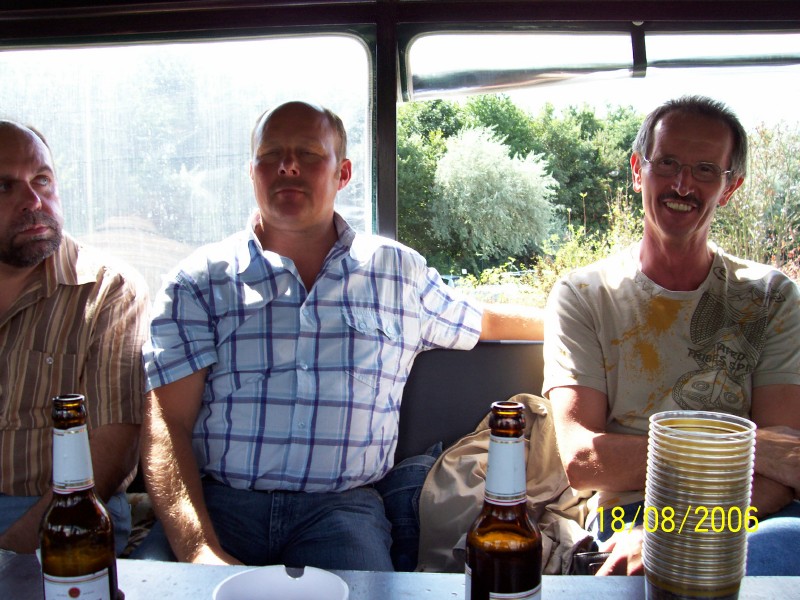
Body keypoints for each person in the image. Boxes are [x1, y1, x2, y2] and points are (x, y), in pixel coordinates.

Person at [139, 101, 543, 570]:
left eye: (309, 154)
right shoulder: (199, 281)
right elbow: (167, 423)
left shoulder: (396, 272)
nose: (287, 166)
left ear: (343, 173)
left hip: (340, 511)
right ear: (252, 173)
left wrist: (580, 325)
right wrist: (197, 549)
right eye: (270, 155)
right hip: (220, 505)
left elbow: (484, 321)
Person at [543, 95, 800, 576]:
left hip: (750, 510)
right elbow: (583, 459)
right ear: (638, 171)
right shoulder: (584, 295)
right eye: (667, 163)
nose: (683, 184)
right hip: (631, 513)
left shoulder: (771, 296)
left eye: (705, 169)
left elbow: (786, 471)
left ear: (730, 187)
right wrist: (752, 449)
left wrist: (684, 530)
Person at [0, 120, 149, 555]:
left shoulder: (107, 291)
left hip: (61, 514)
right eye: (4, 187)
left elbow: (112, 450)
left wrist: (11, 554)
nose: (34, 201)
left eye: (42, 180)